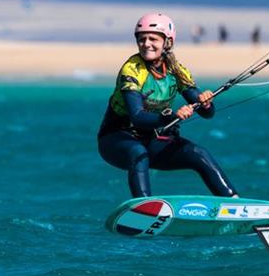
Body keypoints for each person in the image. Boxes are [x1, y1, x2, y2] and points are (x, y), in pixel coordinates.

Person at [97, 13, 239, 199]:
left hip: (153, 140)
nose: (146, 43)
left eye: (153, 39)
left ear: (168, 42)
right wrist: (172, 116)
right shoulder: (132, 70)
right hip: (116, 140)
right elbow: (137, 117)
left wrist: (205, 103)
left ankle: (233, 202)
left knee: (199, 153)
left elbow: (207, 113)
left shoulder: (176, 70)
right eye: (142, 39)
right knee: (137, 152)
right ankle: (143, 208)